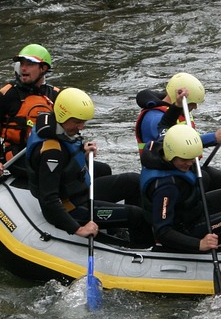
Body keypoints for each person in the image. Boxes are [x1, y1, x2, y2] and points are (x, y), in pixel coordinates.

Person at [23, 87, 153, 247]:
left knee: (133, 181)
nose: (81, 127)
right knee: (137, 216)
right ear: (63, 115)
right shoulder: (52, 154)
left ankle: (118, 231)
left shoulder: (54, 123)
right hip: (72, 208)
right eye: (77, 122)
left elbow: (67, 152)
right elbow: (49, 200)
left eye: (83, 122)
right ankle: (145, 251)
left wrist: (82, 151)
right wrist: (79, 229)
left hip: (78, 192)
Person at [140, 124, 221, 252]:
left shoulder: (162, 148)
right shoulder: (165, 187)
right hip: (185, 231)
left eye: (192, 158)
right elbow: (162, 231)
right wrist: (199, 244)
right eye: (185, 159)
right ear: (171, 154)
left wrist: (213, 138)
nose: (189, 163)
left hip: (190, 209)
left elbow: (189, 143)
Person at [133, 72, 221, 189]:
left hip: (185, 165)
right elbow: (178, 144)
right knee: (205, 179)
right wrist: (214, 138)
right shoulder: (154, 118)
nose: (195, 107)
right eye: (193, 103)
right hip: (166, 172)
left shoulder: (181, 109)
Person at [0, 43, 59, 179]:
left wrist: (83, 150)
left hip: (50, 152)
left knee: (100, 169)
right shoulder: (5, 96)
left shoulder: (56, 95)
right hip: (17, 157)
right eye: (22, 63)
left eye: (30, 64)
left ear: (43, 68)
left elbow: (70, 129)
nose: (23, 68)